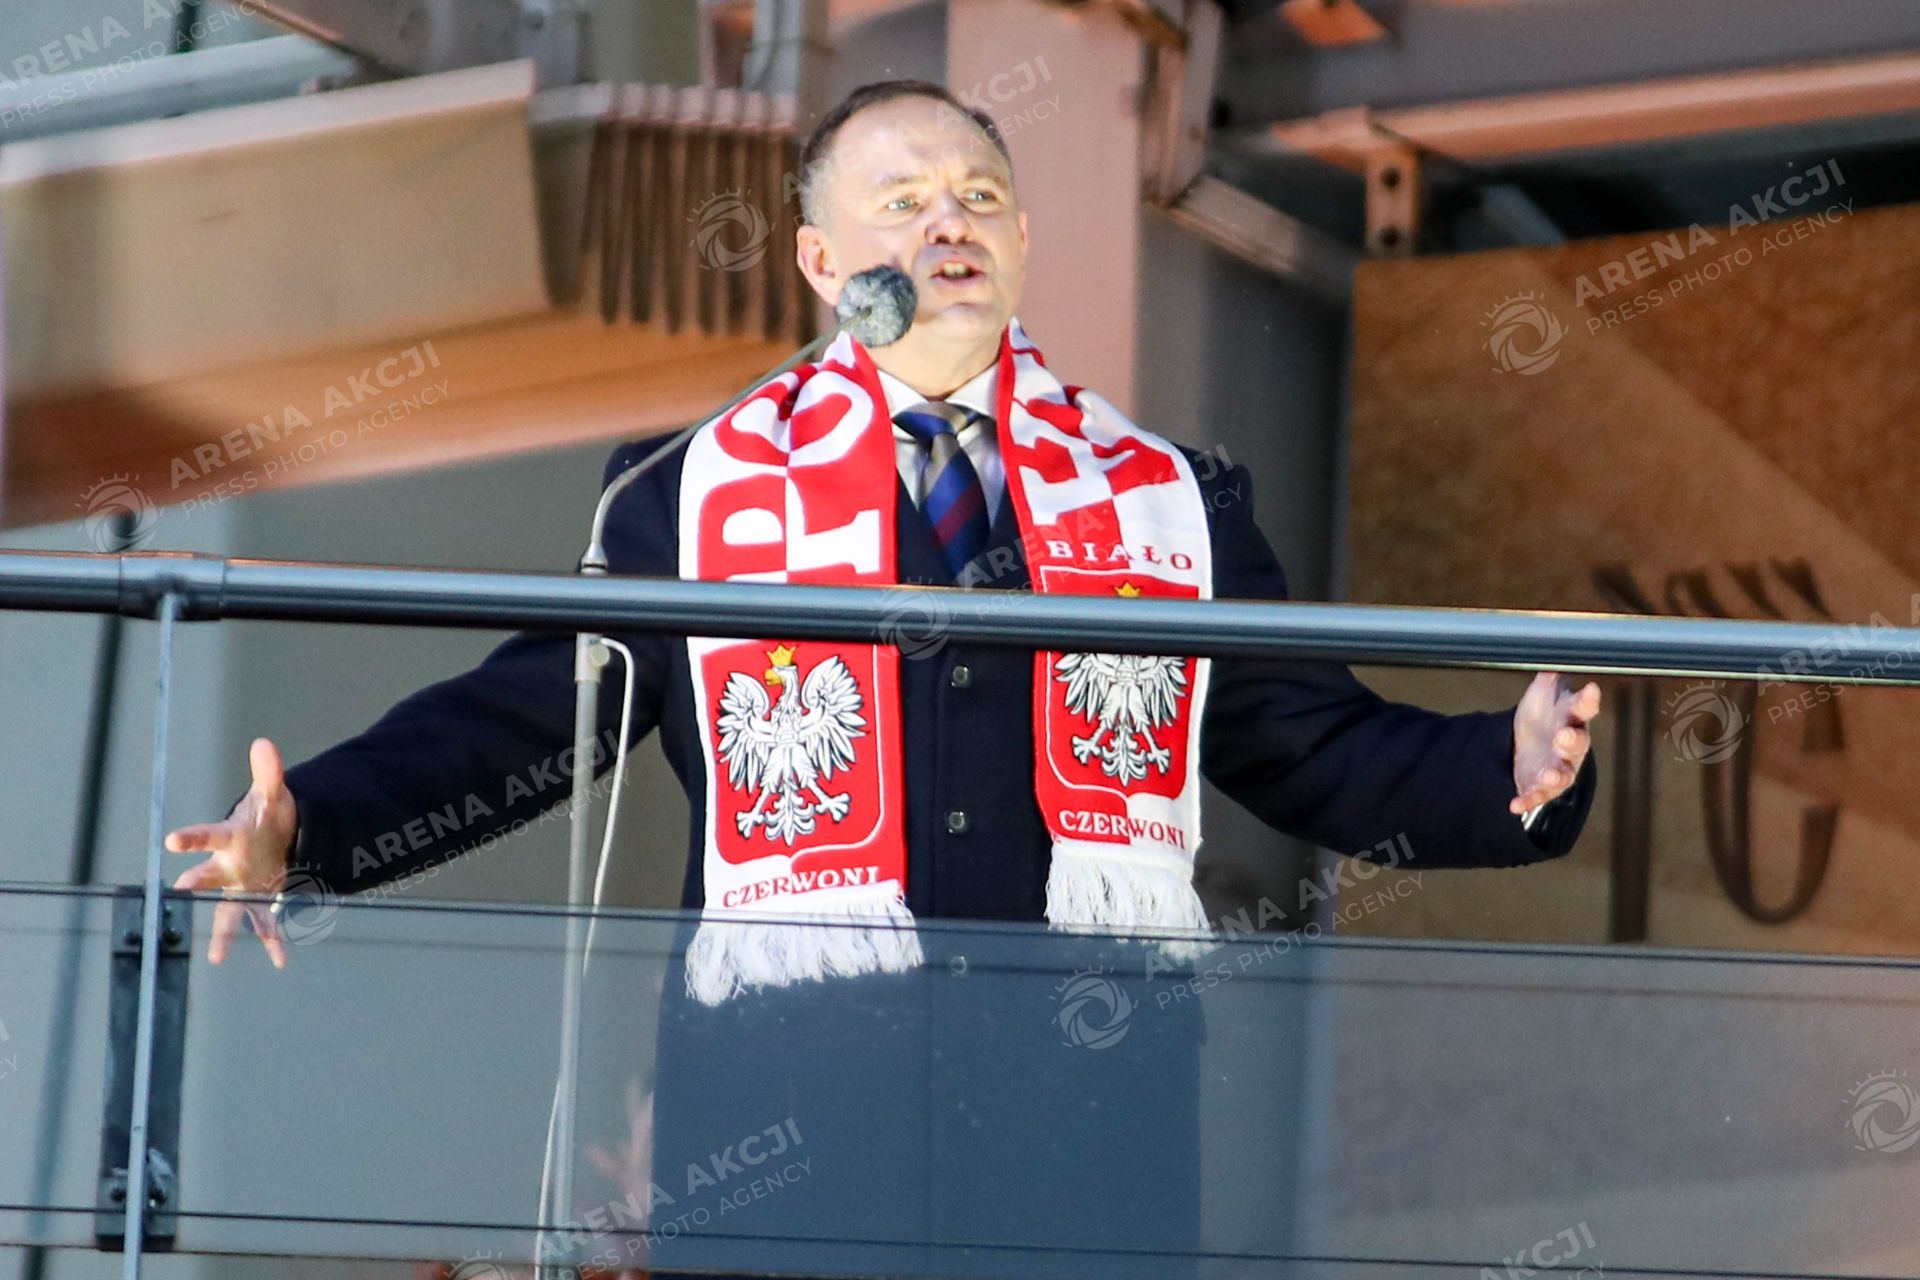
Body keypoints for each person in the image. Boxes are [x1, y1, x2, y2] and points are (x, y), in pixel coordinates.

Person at [165, 79, 1601, 1276]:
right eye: (903, 200)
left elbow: (1307, 744)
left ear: (1024, 237)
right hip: (794, 1129)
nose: (948, 223)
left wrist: (1511, 764)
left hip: (1081, 1126)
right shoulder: (688, 493)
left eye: (979, 195)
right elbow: (528, 717)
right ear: (817, 260)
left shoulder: (1169, 498)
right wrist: (313, 828)